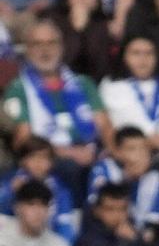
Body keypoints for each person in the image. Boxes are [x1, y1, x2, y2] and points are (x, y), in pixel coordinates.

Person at [4, 18, 111, 190]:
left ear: (61, 47)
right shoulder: (18, 88)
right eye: (37, 44)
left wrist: (114, 154)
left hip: (90, 151)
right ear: (27, 50)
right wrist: (70, 152)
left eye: (51, 43)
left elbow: (105, 126)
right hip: (49, 158)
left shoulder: (83, 83)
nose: (45, 50)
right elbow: (23, 140)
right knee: (71, 167)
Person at [53, 0, 115, 82]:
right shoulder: (54, 22)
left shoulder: (105, 24)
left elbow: (100, 67)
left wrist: (84, 31)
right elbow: (61, 64)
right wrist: (77, 31)